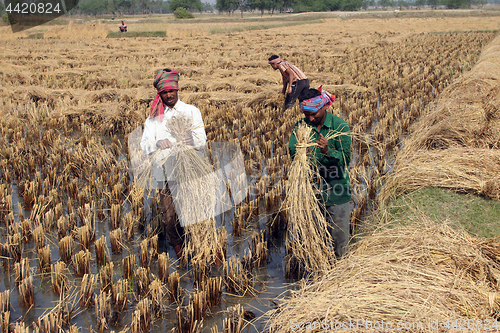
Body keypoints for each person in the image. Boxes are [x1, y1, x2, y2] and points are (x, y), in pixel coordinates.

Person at [140, 68, 207, 259]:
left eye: (171, 91)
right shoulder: (154, 118)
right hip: (165, 174)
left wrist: (190, 139)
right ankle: (182, 258)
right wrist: (157, 143)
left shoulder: (191, 111)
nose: (169, 95)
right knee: (170, 219)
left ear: (177, 90)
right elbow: (145, 145)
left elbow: (202, 140)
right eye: (164, 92)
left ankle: (204, 251)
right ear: (159, 94)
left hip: (190, 172)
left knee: (195, 215)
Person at [288, 87, 352, 259]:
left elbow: (346, 160)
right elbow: (292, 151)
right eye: (306, 113)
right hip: (311, 193)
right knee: (316, 240)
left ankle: (342, 276)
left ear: (324, 106)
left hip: (336, 193)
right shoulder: (301, 126)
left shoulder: (340, 126)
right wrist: (302, 154)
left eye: (313, 113)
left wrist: (327, 151)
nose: (310, 118)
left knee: (340, 242)